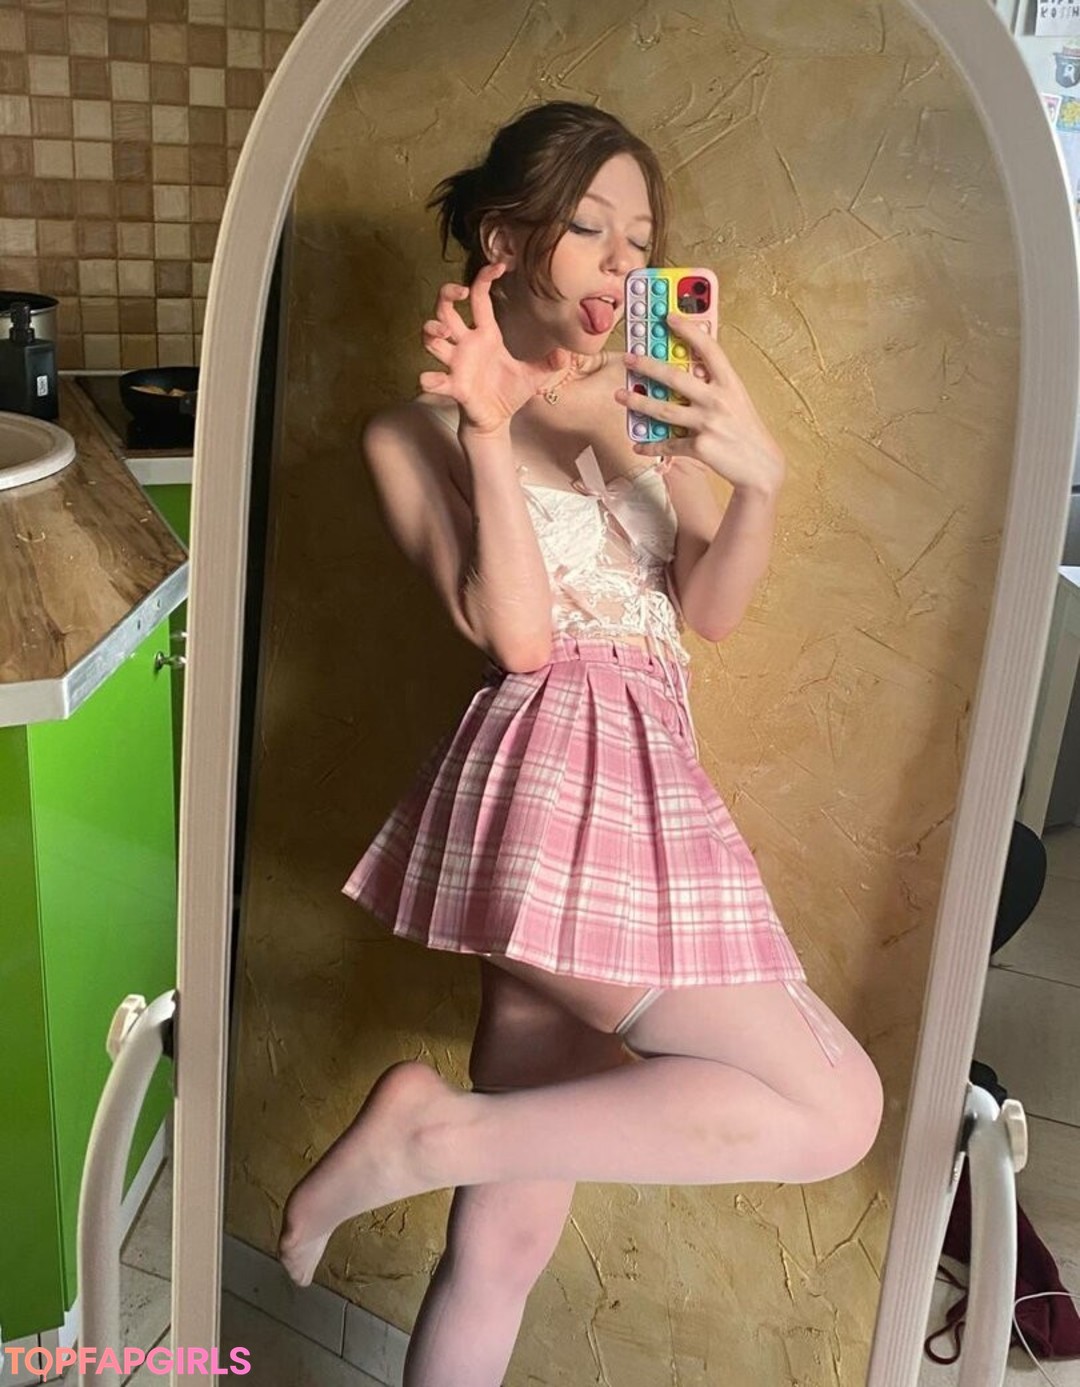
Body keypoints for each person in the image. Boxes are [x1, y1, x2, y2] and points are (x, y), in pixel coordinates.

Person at [277, 101, 884, 1384]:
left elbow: (709, 611)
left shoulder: (641, 401)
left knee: (505, 1240)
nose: (624, 262)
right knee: (837, 1106)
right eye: (591, 229)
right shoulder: (409, 432)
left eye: (641, 239)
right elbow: (518, 640)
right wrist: (490, 429)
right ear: (508, 239)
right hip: (557, 771)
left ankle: (437, 1137)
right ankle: (427, 1134)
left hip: (653, 781)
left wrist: (760, 482)